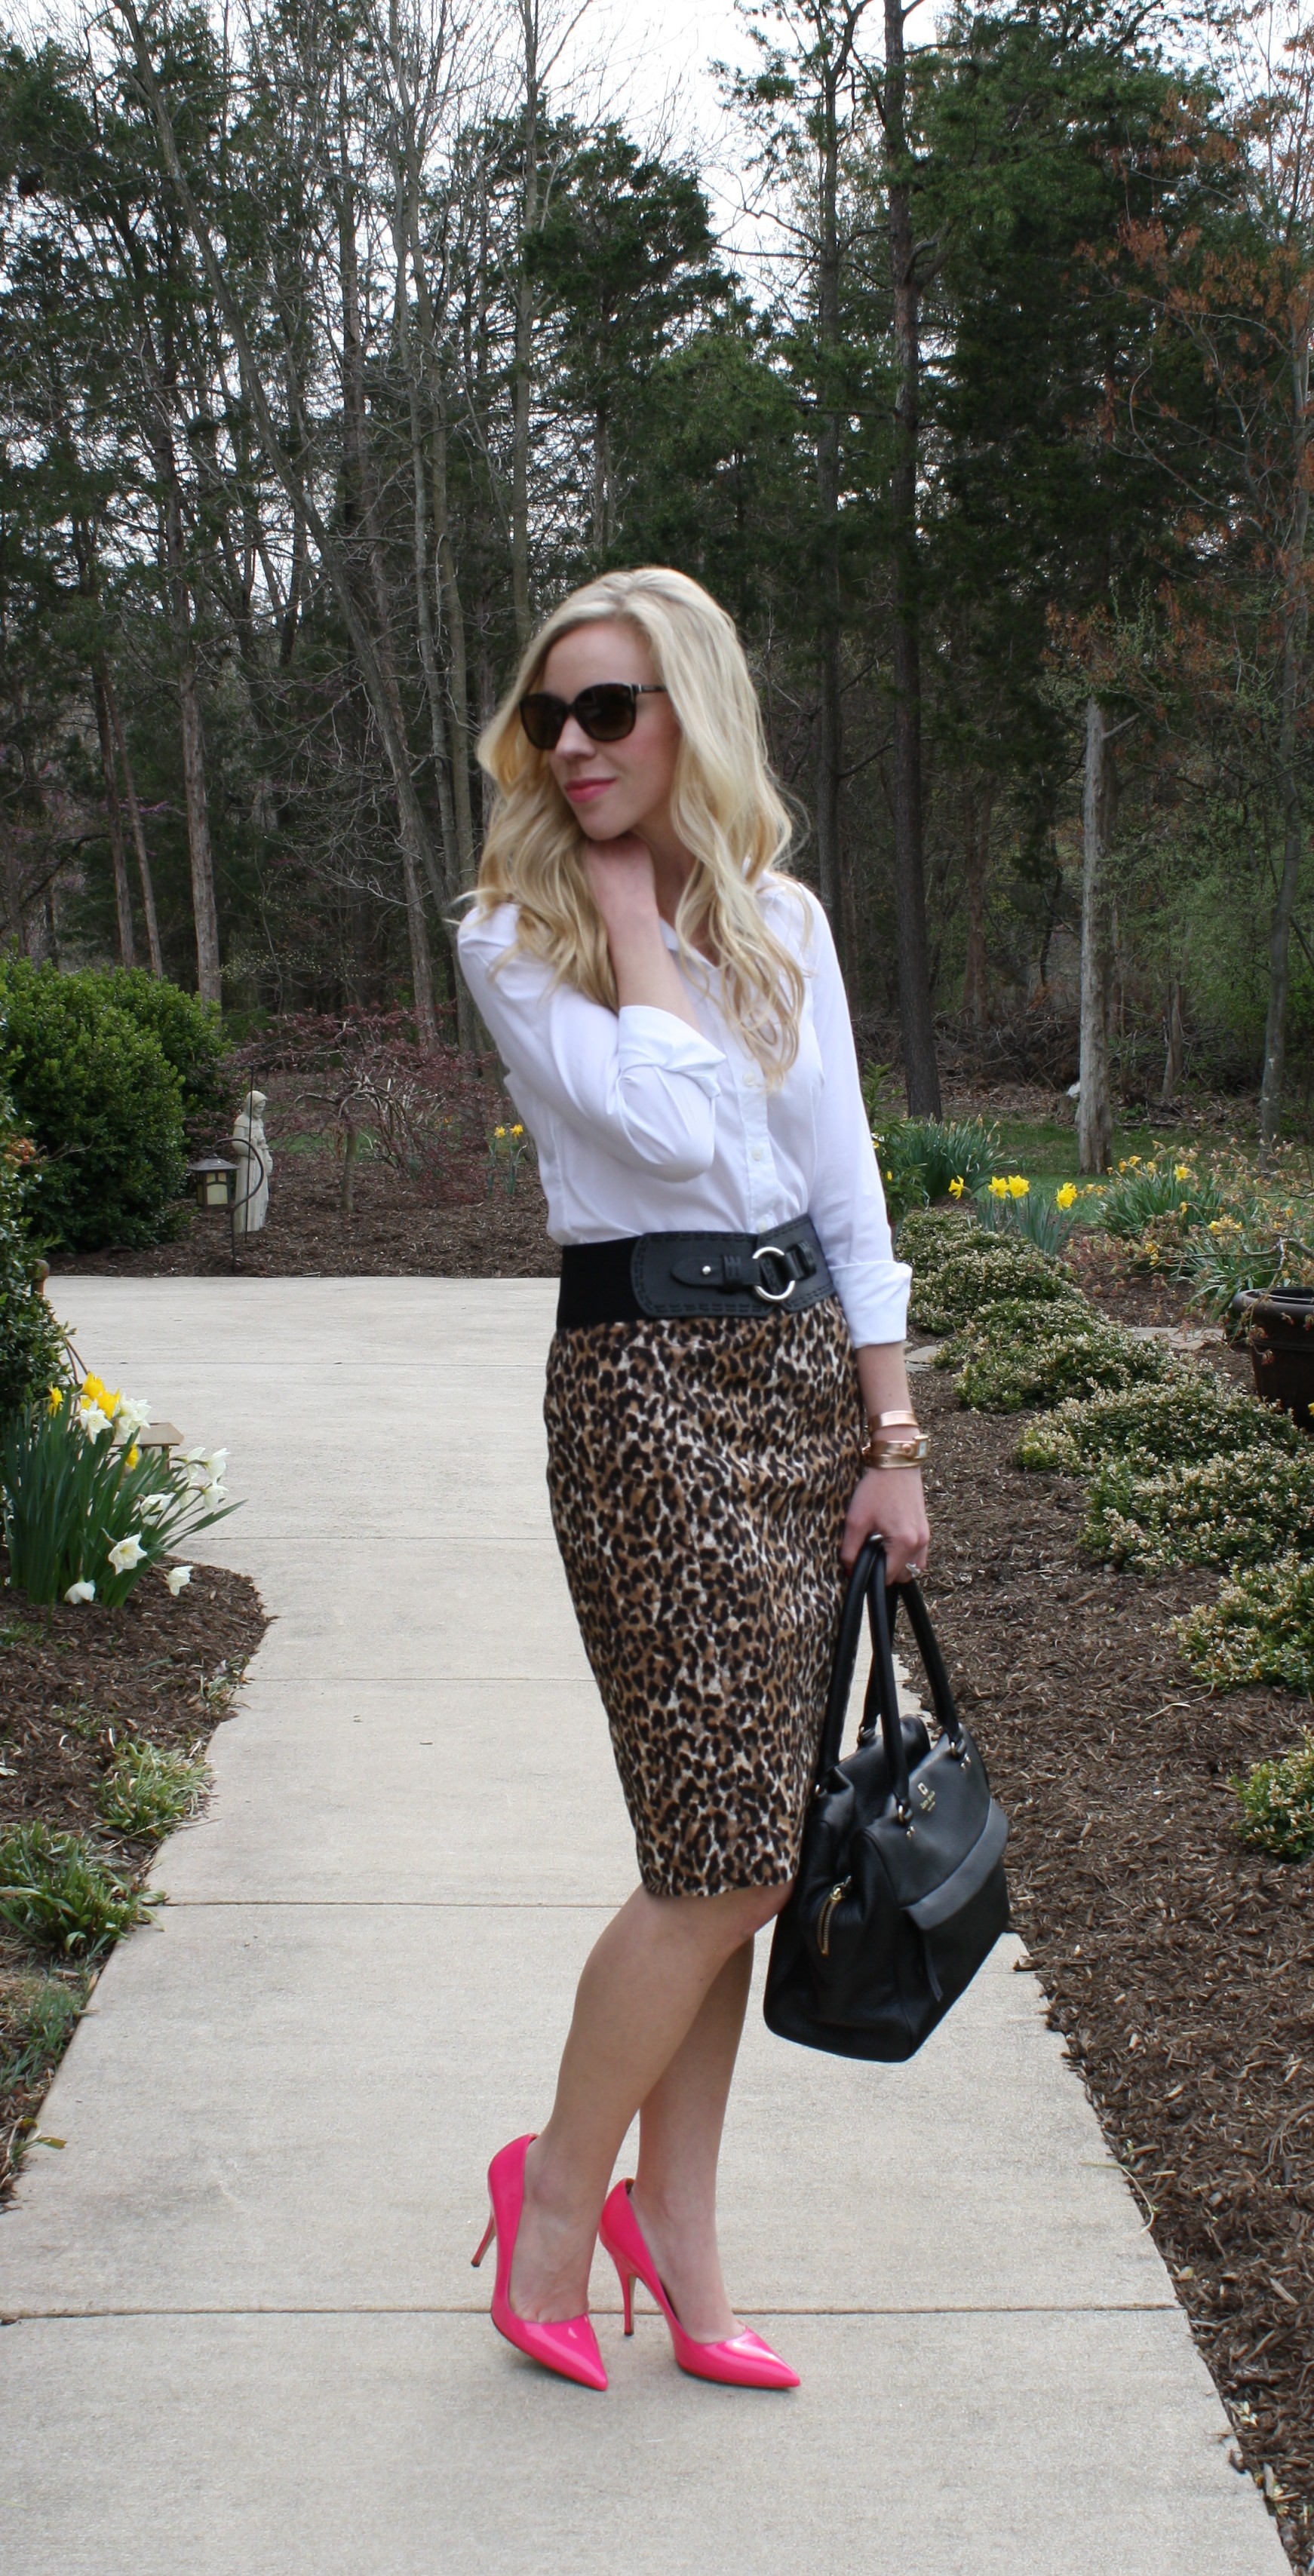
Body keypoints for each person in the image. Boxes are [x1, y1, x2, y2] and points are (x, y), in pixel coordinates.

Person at [459, 566, 929, 2394]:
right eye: (551, 714)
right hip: (642, 1389)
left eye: (613, 710)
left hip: (801, 1384)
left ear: (690, 717)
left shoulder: (789, 923)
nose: (573, 745)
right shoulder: (512, 929)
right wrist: (637, 919)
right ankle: (558, 2198)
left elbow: (844, 1193)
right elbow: (656, 1128)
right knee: (723, 1855)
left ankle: (689, 2239)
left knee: (730, 1851)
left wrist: (891, 1438)